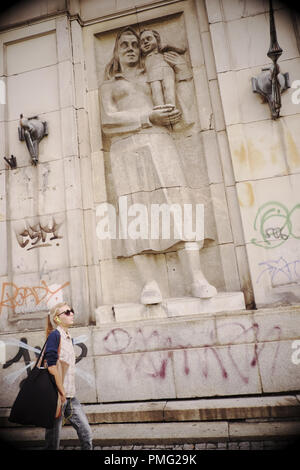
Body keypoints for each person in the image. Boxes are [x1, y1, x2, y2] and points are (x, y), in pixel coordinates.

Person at [100, 27, 217, 303]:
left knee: (178, 206)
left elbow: (182, 111)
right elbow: (107, 121)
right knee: (134, 217)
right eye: (124, 45)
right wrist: (147, 116)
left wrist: (183, 74)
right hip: (125, 149)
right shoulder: (110, 85)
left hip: (159, 142)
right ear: (116, 53)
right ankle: (149, 284)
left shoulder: (154, 70)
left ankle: (196, 277)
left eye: (134, 44)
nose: (130, 48)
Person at [43, 302, 93, 450]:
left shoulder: (67, 337)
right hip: (58, 398)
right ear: (57, 319)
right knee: (53, 444)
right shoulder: (55, 336)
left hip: (71, 397)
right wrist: (62, 392)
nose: (71, 314)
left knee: (87, 435)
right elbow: (51, 367)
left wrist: (67, 394)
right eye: (66, 312)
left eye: (71, 311)